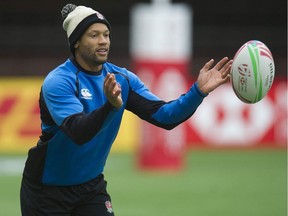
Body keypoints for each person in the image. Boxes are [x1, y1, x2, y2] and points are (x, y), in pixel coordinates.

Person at [20, 3, 232, 216]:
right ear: (76, 42)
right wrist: (110, 107)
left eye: (106, 34)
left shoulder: (123, 79)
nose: (103, 41)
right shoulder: (59, 81)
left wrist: (198, 91)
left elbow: (166, 118)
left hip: (90, 187)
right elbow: (79, 132)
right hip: (46, 190)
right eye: (94, 35)